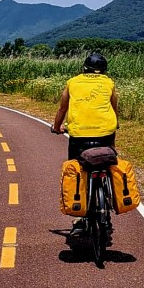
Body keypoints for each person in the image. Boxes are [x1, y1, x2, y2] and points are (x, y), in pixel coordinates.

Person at [51, 52, 119, 237]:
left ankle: (81, 213)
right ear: (104, 71)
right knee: (110, 161)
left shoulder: (72, 82)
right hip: (106, 133)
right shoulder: (108, 83)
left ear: (84, 68)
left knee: (77, 170)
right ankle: (110, 199)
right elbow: (114, 107)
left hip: (79, 137)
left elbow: (62, 108)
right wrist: (115, 124)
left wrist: (57, 127)